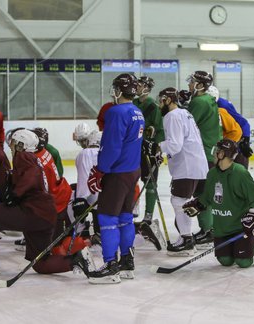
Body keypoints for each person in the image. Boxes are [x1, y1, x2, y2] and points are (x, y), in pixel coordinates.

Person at [0, 129, 94, 277]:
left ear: (22, 145)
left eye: (14, 143)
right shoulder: (38, 155)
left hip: (34, 211)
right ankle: (76, 259)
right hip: (47, 214)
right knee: (40, 263)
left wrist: (16, 193)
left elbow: (32, 175)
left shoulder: (24, 156)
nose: (11, 146)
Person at [183, 139, 254, 268]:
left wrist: (252, 215)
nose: (214, 154)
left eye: (217, 151)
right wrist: (199, 204)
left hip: (241, 228)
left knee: (243, 262)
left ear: (223, 154)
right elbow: (208, 196)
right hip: (222, 229)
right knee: (225, 261)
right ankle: (240, 250)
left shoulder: (240, 173)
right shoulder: (212, 174)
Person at [86, 73, 144, 284]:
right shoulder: (137, 111)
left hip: (117, 172)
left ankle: (110, 265)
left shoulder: (116, 112)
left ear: (120, 90)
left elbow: (111, 146)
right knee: (125, 217)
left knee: (108, 218)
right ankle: (127, 262)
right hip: (132, 171)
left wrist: (101, 170)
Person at [156, 87, 208, 256]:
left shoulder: (172, 116)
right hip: (196, 164)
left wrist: (158, 147)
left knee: (179, 201)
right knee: (184, 201)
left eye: (161, 100)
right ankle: (190, 238)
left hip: (187, 166)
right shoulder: (185, 113)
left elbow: (175, 145)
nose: (159, 104)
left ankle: (187, 240)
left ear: (169, 100)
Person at [14, 127, 73, 253]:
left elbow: (41, 186)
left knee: (54, 246)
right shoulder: (45, 151)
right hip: (61, 193)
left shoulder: (33, 160)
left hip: (56, 201)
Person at [185, 71, 221, 248]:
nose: (190, 84)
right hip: (210, 151)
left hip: (203, 153)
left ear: (200, 85)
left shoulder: (198, 102)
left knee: (200, 193)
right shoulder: (208, 99)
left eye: (192, 82)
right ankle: (209, 229)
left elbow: (187, 124)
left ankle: (208, 230)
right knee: (203, 192)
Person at [133, 76, 164, 225]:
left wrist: (157, 149)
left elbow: (159, 130)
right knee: (130, 180)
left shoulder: (153, 106)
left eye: (140, 85)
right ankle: (131, 210)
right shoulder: (133, 102)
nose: (137, 87)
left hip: (147, 150)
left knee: (150, 183)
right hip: (133, 149)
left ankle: (148, 215)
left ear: (146, 87)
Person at [207, 86, 253, 169]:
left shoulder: (223, 106)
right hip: (223, 145)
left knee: (239, 174)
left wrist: (245, 141)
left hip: (235, 143)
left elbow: (243, 122)